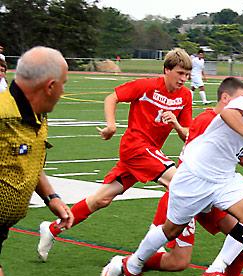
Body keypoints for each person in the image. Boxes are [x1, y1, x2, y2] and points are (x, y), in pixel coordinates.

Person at [114, 80, 243, 276]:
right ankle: (134, 264)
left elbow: (228, 141)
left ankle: (215, 270)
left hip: (223, 178)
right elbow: (228, 115)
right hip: (195, 175)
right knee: (170, 230)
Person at [37, 48, 193, 262]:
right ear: (166, 70)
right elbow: (112, 97)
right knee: (179, 183)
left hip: (148, 154)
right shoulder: (146, 86)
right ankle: (155, 244)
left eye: (187, 74)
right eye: (180, 73)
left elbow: (187, 135)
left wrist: (176, 124)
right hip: (135, 147)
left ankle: (52, 229)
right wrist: (111, 126)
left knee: (101, 199)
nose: (184, 79)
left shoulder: (185, 96)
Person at [0, 46, 73, 276]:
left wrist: (51, 197)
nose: (63, 92)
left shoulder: (38, 117)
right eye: (63, 85)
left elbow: (30, 159)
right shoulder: (2, 115)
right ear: (50, 86)